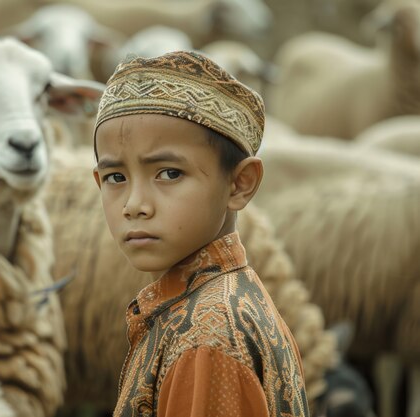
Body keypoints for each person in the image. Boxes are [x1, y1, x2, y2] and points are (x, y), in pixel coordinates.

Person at [92, 51, 309, 417]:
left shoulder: (208, 339)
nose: (134, 205)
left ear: (240, 184)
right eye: (116, 178)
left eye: (170, 173)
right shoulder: (214, 304)